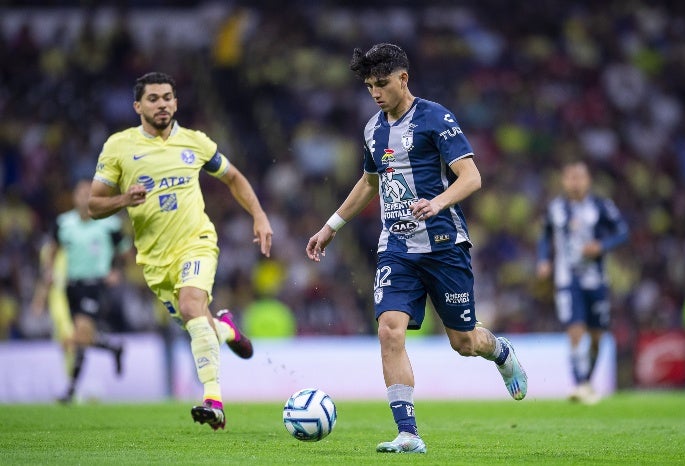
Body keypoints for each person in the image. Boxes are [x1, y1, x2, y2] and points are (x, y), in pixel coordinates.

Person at [306, 43, 527, 454]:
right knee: (389, 330)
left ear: (403, 78)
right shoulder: (373, 129)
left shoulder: (435, 117)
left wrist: (437, 202)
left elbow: (471, 176)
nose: (374, 93)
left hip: (444, 244)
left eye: (382, 84)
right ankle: (408, 432)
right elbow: (370, 182)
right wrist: (331, 226)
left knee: (463, 343)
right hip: (397, 246)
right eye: (369, 86)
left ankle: (499, 351)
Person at [87, 72, 273, 430]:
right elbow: (94, 206)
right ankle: (228, 330)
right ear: (138, 106)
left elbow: (233, 177)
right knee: (197, 323)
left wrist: (259, 215)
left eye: (168, 97)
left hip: (196, 242)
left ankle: (213, 400)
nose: (163, 104)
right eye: (154, 98)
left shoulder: (195, 142)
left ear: (176, 102)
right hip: (154, 261)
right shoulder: (119, 146)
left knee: (191, 305)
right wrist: (124, 198)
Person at [536, 161, 629, 404]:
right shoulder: (556, 208)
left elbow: (622, 231)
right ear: (564, 181)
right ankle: (579, 383)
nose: (575, 182)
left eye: (579, 177)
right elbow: (545, 236)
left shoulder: (601, 206)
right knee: (575, 330)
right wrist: (544, 259)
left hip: (596, 280)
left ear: (588, 180)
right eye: (570, 177)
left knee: (597, 337)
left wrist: (601, 246)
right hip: (567, 280)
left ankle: (586, 380)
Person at [31, 179, 128, 403]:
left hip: (95, 285)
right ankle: (107, 354)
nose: (85, 198)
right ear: (74, 197)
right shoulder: (63, 223)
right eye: (81, 194)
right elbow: (52, 251)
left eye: (89, 194)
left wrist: (115, 270)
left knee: (81, 334)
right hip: (71, 286)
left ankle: (72, 381)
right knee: (83, 341)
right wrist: (48, 271)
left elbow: (124, 251)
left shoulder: (108, 224)